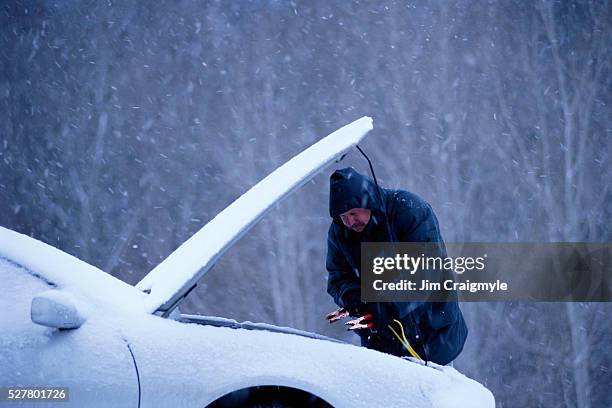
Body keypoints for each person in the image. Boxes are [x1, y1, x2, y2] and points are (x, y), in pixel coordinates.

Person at [324, 167, 467, 365]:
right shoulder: (339, 232)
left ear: (367, 201)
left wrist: (386, 307)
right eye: (342, 216)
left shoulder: (409, 210)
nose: (349, 221)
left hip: (434, 336)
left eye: (353, 213)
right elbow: (337, 278)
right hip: (382, 348)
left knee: (439, 394)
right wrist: (352, 298)